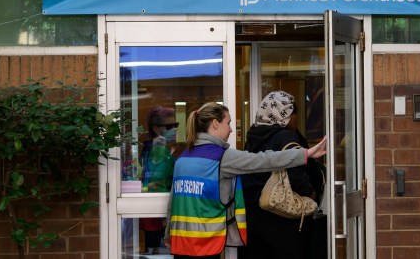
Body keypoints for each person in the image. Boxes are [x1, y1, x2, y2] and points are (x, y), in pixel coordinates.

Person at [164, 102, 327, 259]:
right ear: (215, 124)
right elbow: (264, 160)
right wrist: (306, 154)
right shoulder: (221, 157)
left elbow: (173, 203)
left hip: (181, 243)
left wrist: (167, 235)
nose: (231, 130)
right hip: (206, 244)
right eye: (227, 123)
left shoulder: (183, 157)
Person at [239, 90, 327, 259]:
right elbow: (296, 173)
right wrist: (311, 194)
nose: (296, 119)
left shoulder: (253, 135)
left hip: (254, 215)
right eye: (294, 114)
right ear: (285, 114)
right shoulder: (286, 136)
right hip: (281, 217)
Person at [139, 106, 177, 255]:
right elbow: (157, 182)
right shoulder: (159, 150)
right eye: (169, 126)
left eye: (175, 125)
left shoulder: (157, 148)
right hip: (156, 213)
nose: (173, 129)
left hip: (153, 213)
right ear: (156, 129)